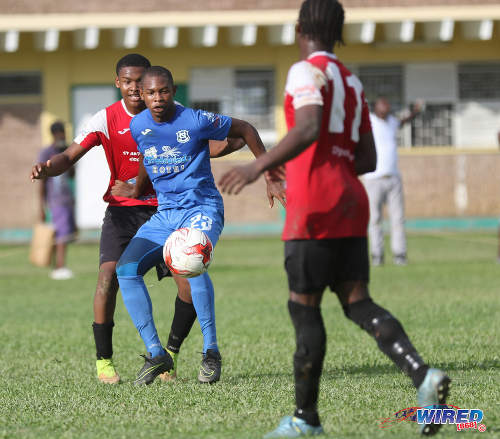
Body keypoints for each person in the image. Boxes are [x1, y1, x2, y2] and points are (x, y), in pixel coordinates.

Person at [219, 1, 450, 437]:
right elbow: (366, 157)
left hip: (315, 206)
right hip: (351, 200)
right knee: (357, 301)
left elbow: (307, 127)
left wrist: (256, 166)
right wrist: (328, 161)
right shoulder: (351, 80)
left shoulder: (305, 71)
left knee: (303, 307)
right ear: (338, 31)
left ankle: (306, 420)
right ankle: (423, 375)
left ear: (300, 26)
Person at [30, 54, 257, 385]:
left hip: (180, 208)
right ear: (119, 83)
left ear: (164, 87)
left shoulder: (185, 117)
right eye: (131, 82)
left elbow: (201, 143)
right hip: (131, 211)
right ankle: (126, 358)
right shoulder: (115, 120)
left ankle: (194, 353)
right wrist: (50, 168)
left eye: (146, 84)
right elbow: (77, 155)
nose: (140, 90)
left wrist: (254, 163)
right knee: (115, 274)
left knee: (188, 270)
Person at [114, 65, 282, 385]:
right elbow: (150, 159)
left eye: (163, 91)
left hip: (202, 208)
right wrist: (136, 190)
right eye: (151, 93)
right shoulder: (138, 126)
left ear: (173, 91)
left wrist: (269, 174)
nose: (157, 98)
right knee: (125, 270)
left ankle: (210, 352)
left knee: (191, 264)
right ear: (142, 96)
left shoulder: (195, 119)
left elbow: (245, 129)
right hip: (166, 214)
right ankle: (156, 353)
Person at [363, 97, 422, 266]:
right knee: (375, 219)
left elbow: (404, 121)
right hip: (374, 179)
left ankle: (400, 254)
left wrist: (415, 112)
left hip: (393, 178)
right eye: (383, 103)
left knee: (397, 219)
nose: (387, 106)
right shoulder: (370, 121)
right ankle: (377, 255)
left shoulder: (392, 122)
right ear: (376, 107)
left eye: (388, 104)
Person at [37, 121, 76, 280]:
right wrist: (41, 206)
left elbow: (72, 174)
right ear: (54, 134)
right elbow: (42, 180)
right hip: (55, 199)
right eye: (60, 133)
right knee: (61, 233)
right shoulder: (47, 152)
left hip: (67, 198)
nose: (62, 136)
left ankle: (57, 266)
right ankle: (60, 267)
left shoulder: (66, 151)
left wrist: (67, 158)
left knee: (63, 233)